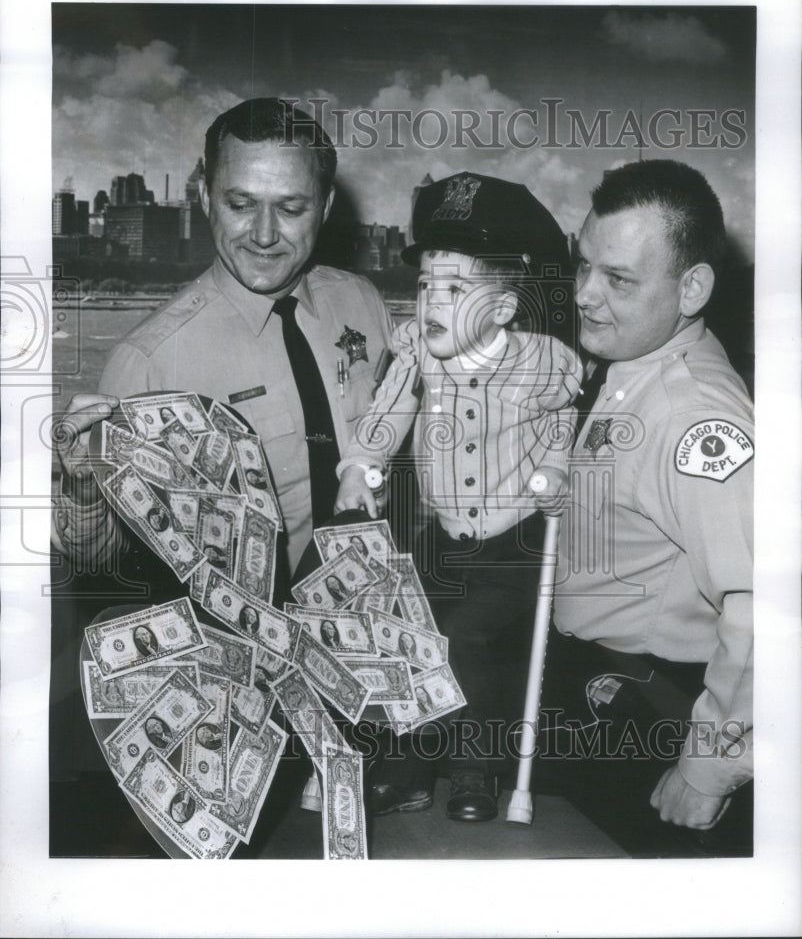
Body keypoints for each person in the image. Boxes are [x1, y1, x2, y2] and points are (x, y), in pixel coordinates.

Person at [51, 97, 394, 581]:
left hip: (372, 606)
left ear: (326, 207)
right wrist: (82, 490)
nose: (264, 234)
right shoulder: (146, 362)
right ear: (207, 197)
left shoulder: (364, 304)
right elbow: (101, 561)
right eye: (240, 204)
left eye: (292, 208)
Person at [336, 171, 582, 822]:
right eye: (424, 286)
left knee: (466, 641)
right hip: (443, 537)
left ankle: (476, 767)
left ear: (502, 309)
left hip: (514, 540)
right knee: (414, 639)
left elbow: (563, 416)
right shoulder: (417, 352)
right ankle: (412, 765)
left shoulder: (543, 362)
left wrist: (556, 466)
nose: (430, 302)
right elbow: (387, 411)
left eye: (454, 288)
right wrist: (362, 463)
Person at [541, 159, 753, 853]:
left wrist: (711, 765)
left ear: (692, 287)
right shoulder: (632, 365)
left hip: (653, 714)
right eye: (584, 268)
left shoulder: (695, 417)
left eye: (620, 280)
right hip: (595, 692)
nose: (587, 296)